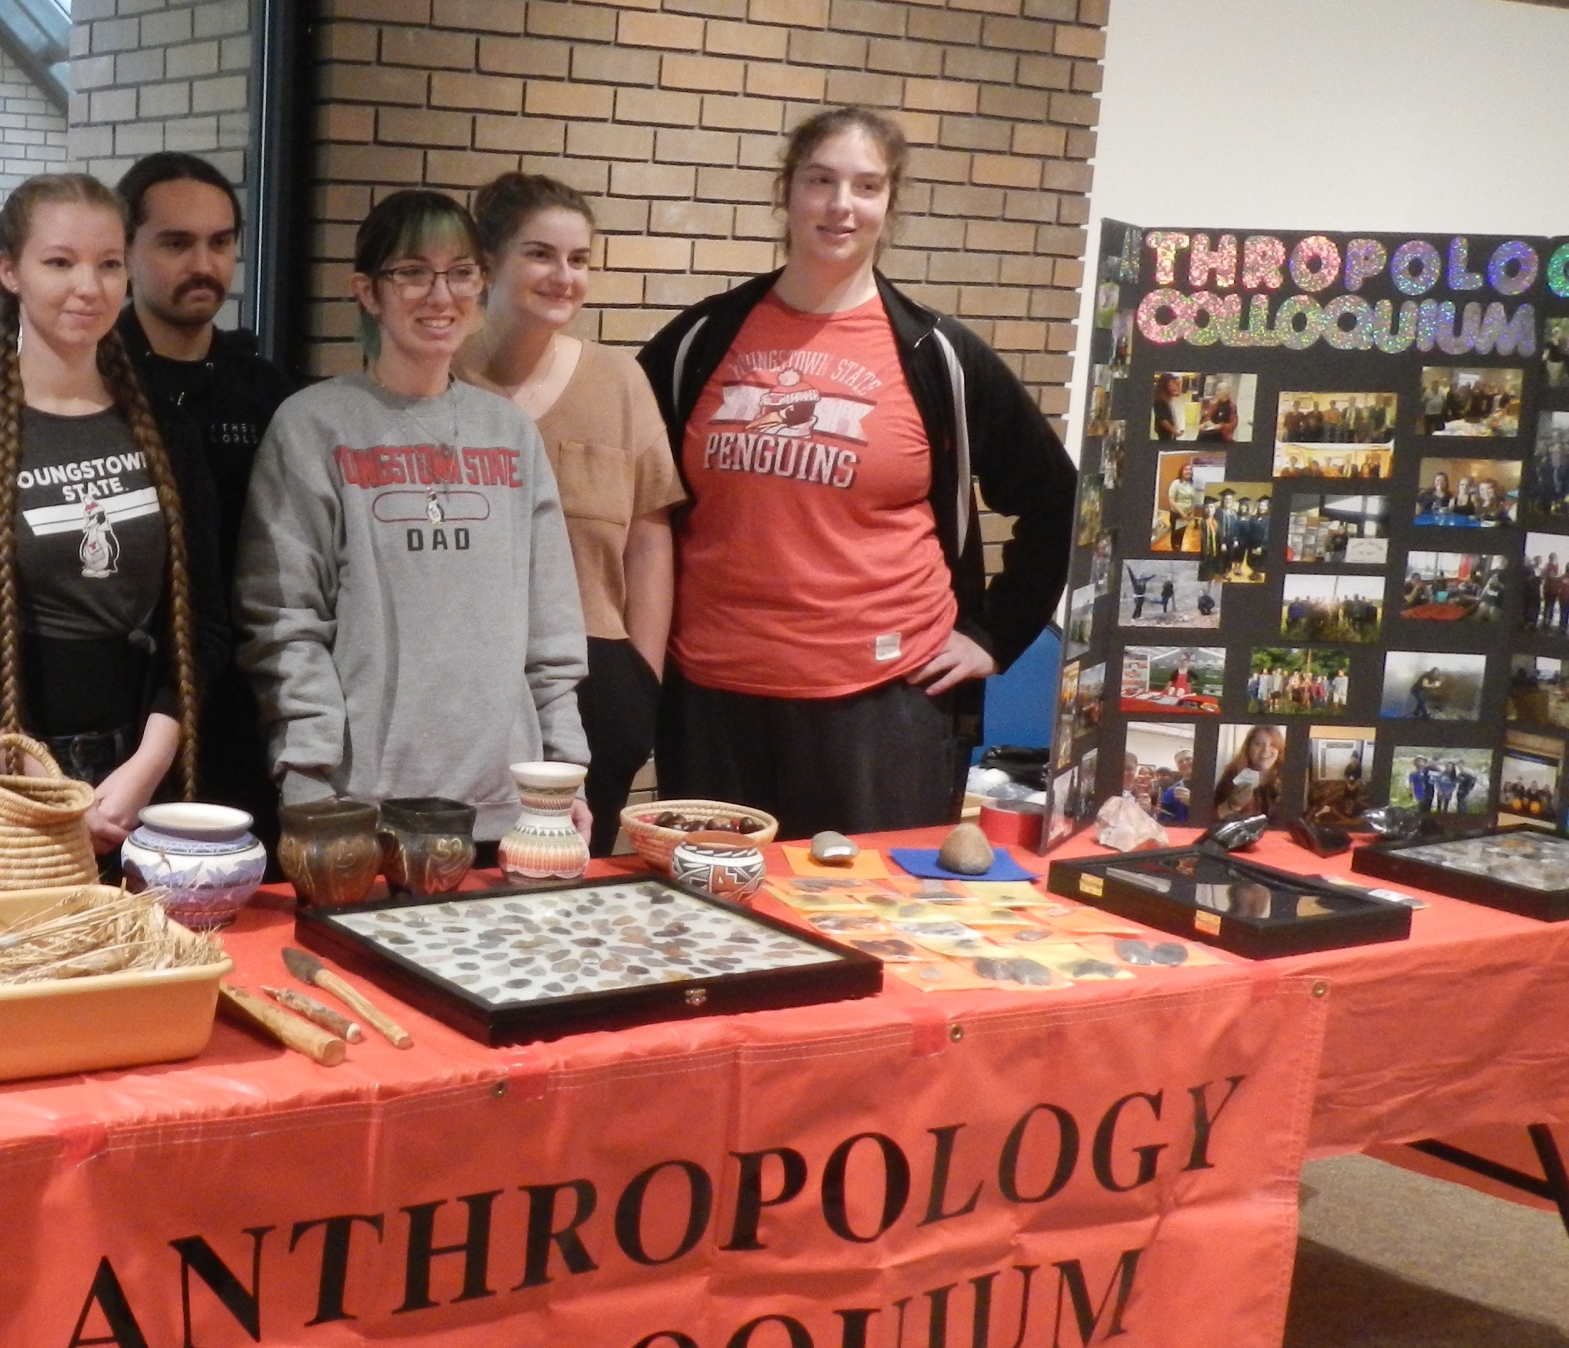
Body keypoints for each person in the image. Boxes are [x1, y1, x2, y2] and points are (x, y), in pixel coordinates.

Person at [634, 105, 1076, 837]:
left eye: (866, 187)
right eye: (821, 181)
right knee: (721, 934)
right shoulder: (700, 341)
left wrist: (994, 635)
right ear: (787, 192)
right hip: (713, 702)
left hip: (881, 710)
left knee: (864, 933)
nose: (842, 206)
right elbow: (630, 498)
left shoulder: (938, 356)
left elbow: (1056, 500)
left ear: (889, 204)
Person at [0, 174, 228, 847]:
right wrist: (29, 772)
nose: (88, 287)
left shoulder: (166, 428)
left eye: (108, 265)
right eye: (59, 262)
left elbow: (205, 624)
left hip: (142, 780)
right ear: (10, 271)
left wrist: (146, 766)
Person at [236, 189, 587, 847]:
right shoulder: (314, 426)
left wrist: (564, 770)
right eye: (413, 272)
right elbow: (283, 623)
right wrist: (308, 780)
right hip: (360, 803)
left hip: (505, 804)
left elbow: (552, 628)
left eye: (461, 273)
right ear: (367, 291)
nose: (440, 295)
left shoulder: (509, 432)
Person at [456, 172, 683, 854]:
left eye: (579, 259)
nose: (563, 276)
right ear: (488, 262)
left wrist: (642, 680)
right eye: (541, 254)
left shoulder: (620, 382)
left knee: (566, 880)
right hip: (465, 677)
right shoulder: (437, 373)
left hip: (593, 677)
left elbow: (649, 539)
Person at [111, 151, 297, 831]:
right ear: (126, 250)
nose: (204, 263)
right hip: (119, 700)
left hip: (240, 701)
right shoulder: (92, 385)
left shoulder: (268, 393)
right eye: (176, 242)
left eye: (220, 243)